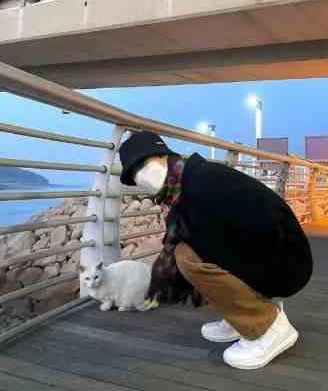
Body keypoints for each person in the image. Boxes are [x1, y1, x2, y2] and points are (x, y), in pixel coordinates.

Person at [119, 131, 313, 370]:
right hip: (271, 251)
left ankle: (268, 326)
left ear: (162, 155)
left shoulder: (199, 186)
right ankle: (240, 317)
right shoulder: (187, 181)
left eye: (142, 164)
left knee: (189, 258)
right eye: (133, 174)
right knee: (188, 251)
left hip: (287, 261)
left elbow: (222, 240)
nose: (140, 176)